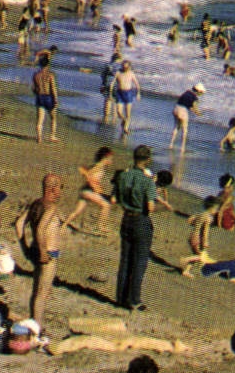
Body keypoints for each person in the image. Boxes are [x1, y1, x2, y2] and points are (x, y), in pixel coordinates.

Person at [112, 146, 159, 311]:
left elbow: (114, 198)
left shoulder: (123, 176)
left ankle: (121, 297)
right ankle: (134, 299)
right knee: (139, 261)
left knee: (125, 260)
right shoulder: (147, 181)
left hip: (126, 217)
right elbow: (150, 207)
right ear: (147, 160)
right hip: (141, 219)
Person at [16, 172, 64, 330]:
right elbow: (40, 230)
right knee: (42, 293)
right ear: (52, 188)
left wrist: (25, 248)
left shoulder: (35, 204)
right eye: (60, 187)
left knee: (37, 291)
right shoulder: (51, 207)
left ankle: (34, 323)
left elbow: (19, 224)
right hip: (47, 252)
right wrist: (43, 252)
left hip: (36, 250)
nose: (61, 191)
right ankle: (36, 329)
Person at [62, 147, 116, 237]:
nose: (111, 161)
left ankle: (63, 226)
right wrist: (93, 185)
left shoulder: (100, 166)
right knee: (106, 205)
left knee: (77, 212)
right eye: (110, 159)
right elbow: (84, 171)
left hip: (85, 191)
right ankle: (100, 226)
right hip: (88, 191)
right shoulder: (99, 166)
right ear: (104, 158)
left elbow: (90, 175)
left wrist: (96, 186)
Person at [31, 52, 59, 144]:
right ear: (48, 64)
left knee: (40, 119)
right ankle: (52, 136)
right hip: (48, 97)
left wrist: (37, 93)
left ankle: (39, 137)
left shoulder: (36, 75)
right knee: (53, 118)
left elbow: (33, 88)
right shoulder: (50, 75)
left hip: (40, 96)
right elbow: (53, 88)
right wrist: (55, 99)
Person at [169, 82, 205, 149]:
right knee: (185, 130)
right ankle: (182, 147)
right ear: (199, 91)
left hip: (176, 109)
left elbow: (185, 103)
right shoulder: (195, 98)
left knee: (176, 127)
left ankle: (171, 144)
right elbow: (194, 108)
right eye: (201, 93)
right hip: (183, 112)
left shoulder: (186, 92)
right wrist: (199, 114)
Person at [111, 61, 140, 137]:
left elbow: (137, 84)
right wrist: (111, 93)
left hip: (128, 93)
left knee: (128, 113)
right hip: (119, 93)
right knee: (119, 112)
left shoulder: (131, 73)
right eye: (123, 66)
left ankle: (126, 128)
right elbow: (113, 82)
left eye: (126, 66)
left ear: (129, 67)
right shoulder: (118, 72)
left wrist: (138, 94)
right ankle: (124, 121)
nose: (125, 68)